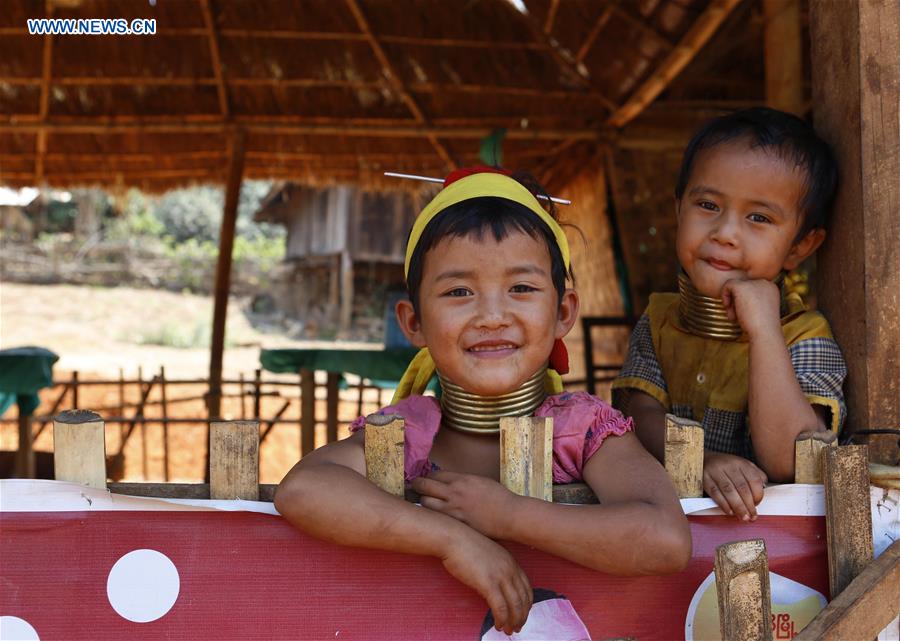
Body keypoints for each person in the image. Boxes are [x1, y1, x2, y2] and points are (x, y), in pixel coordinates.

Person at [275, 167, 691, 635]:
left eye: (521, 288)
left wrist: (509, 515)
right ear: (413, 322)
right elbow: (304, 489)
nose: (492, 315)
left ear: (563, 312)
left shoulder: (582, 431)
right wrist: (453, 540)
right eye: (459, 292)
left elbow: (665, 540)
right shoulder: (407, 434)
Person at [612, 107, 847, 523]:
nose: (725, 232)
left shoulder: (804, 334)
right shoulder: (661, 319)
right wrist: (698, 461)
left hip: (778, 540)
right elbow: (637, 416)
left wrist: (763, 331)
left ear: (800, 246)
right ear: (678, 210)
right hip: (670, 529)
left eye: (759, 217)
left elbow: (789, 460)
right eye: (707, 204)